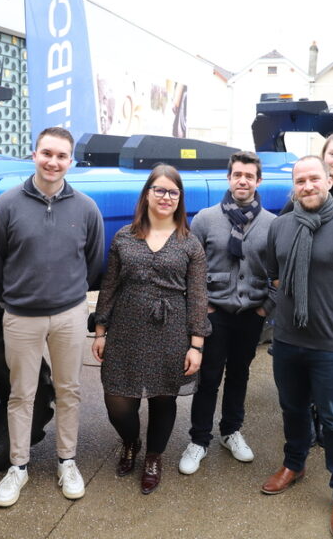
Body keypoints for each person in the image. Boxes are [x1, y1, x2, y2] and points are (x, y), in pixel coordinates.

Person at [0, 127, 104, 507]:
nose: (53, 162)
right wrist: (13, 301)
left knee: (69, 391)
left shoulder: (85, 207)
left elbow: (94, 261)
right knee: (22, 394)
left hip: (69, 315)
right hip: (21, 317)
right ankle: (18, 467)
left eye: (61, 156)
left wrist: (72, 298)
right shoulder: (6, 205)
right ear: (34, 155)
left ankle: (67, 461)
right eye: (47, 153)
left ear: (71, 161)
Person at [262, 156, 333, 539]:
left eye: (314, 178)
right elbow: (274, 276)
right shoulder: (280, 227)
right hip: (287, 340)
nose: (308, 185)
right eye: (300, 180)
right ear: (294, 186)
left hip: (329, 344)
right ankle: (294, 464)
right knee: (291, 407)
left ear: (329, 181)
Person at [92, 164, 210, 494]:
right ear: (147, 194)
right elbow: (110, 285)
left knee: (163, 397)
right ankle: (130, 441)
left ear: (180, 198)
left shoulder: (190, 244)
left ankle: (154, 456)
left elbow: (199, 296)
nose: (166, 196)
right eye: (159, 189)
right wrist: (100, 331)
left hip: (171, 330)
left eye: (173, 192)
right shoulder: (124, 237)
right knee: (117, 399)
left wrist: (196, 345)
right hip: (125, 328)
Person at [177, 151, 276, 475]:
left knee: (239, 375)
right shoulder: (206, 219)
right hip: (214, 313)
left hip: (251, 315)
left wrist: (265, 308)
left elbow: (279, 272)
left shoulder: (272, 225)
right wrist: (200, 306)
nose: (243, 180)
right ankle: (199, 440)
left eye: (249, 176)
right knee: (208, 378)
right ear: (229, 178)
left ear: (258, 181)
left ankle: (231, 431)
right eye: (237, 175)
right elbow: (192, 267)